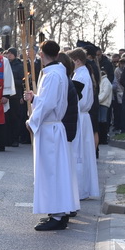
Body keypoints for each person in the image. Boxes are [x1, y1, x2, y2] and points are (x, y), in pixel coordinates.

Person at [24, 40, 79, 231]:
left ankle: (57, 215)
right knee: (55, 172)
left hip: (50, 129)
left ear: (41, 54)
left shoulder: (53, 75)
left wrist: (32, 121)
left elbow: (48, 105)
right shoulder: (57, 73)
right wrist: (34, 98)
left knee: (52, 173)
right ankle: (57, 212)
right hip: (52, 127)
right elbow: (48, 100)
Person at [69, 48, 100, 200]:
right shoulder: (81, 73)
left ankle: (80, 190)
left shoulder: (81, 76)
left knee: (79, 155)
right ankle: (83, 189)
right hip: (83, 117)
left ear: (77, 61)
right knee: (83, 154)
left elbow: (79, 100)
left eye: (71, 61)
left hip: (80, 116)